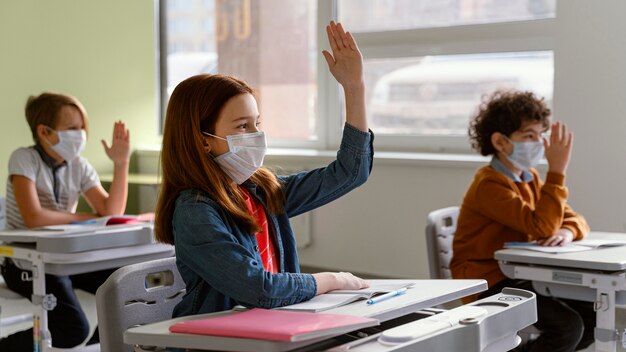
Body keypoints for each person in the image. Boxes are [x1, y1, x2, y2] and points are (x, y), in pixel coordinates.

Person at [154, 20, 372, 318]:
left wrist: (354, 89)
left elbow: (350, 172)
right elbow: (260, 289)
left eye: (257, 123)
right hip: (217, 343)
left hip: (272, 330)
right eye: (242, 126)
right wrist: (331, 280)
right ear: (203, 141)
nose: (256, 135)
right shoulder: (194, 211)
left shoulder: (260, 190)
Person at [450, 90, 595, 352]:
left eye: (541, 135)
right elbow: (541, 225)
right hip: (488, 279)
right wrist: (557, 172)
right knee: (567, 327)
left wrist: (567, 232)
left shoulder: (530, 178)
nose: (539, 142)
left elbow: (576, 219)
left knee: (592, 317)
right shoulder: (490, 184)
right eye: (529, 136)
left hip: (521, 272)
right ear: (500, 142)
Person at [0, 92, 130, 351]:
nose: (80, 133)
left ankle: (102, 346)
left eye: (82, 127)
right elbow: (34, 218)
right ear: (44, 132)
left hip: (64, 259)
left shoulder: (78, 165)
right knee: (72, 328)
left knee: (124, 289)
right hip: (23, 261)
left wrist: (121, 163)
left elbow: (111, 210)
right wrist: (86, 218)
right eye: (72, 128)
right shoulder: (23, 159)